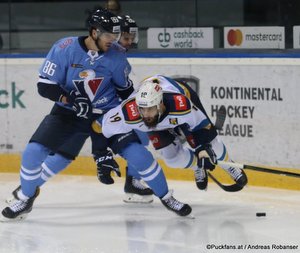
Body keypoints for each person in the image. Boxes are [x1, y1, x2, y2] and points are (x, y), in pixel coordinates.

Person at [1, 9, 192, 220]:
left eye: (116, 35)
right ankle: (25, 199)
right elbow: (45, 86)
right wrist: (70, 99)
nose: (115, 40)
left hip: (107, 115)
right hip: (68, 113)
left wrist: (145, 115)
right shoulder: (64, 48)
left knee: (139, 154)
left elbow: (125, 92)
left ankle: (166, 197)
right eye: (109, 35)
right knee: (32, 153)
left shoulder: (117, 56)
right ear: (94, 32)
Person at [97, 75, 248, 190]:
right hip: (159, 121)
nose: (145, 114)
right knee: (172, 159)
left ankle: (230, 166)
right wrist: (102, 152)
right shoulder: (129, 111)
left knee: (212, 144)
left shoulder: (181, 105)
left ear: (160, 104)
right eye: (141, 109)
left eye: (150, 108)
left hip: (180, 101)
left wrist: (202, 149)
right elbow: (103, 127)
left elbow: (202, 127)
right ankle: (197, 167)